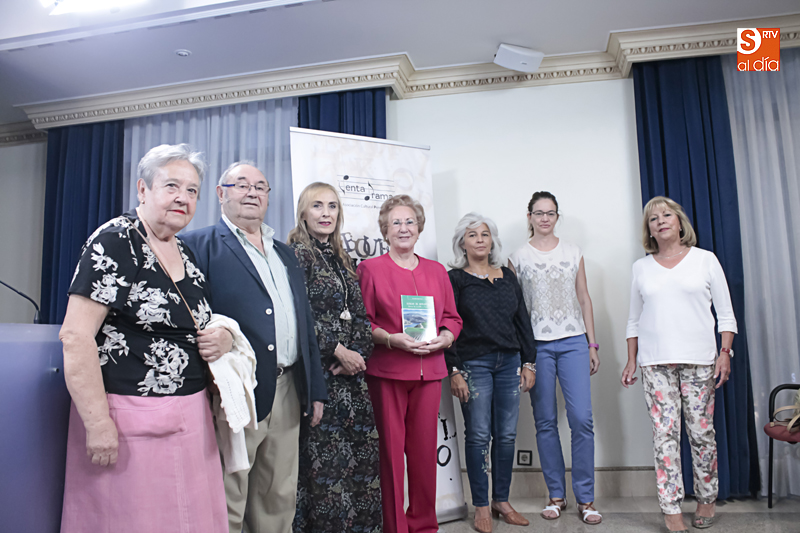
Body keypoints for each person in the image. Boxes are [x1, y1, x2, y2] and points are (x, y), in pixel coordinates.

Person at [59, 144, 231, 533]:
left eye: (192, 191)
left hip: (190, 416)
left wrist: (221, 338)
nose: (183, 198)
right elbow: (75, 335)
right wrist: (98, 423)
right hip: (129, 420)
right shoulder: (117, 240)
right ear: (142, 189)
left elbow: (192, 323)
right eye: (172, 185)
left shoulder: (184, 251)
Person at [181, 161, 328, 533]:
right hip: (237, 390)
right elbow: (188, 317)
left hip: (289, 387)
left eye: (260, 187)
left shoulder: (285, 253)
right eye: (241, 184)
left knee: (278, 493)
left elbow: (303, 323)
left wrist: (315, 389)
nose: (252, 192)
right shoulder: (197, 245)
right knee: (230, 492)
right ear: (221, 193)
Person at [621, 196, 736, 533]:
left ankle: (706, 499)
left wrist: (724, 352)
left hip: (700, 361)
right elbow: (633, 319)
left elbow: (725, 314)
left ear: (680, 221)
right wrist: (631, 360)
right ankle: (671, 509)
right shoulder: (641, 267)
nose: (660, 220)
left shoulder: (705, 260)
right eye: (653, 219)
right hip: (655, 364)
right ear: (649, 231)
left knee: (702, 435)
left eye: (666, 214)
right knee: (664, 437)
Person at [357, 194, 462, 533]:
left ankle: (424, 526)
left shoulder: (436, 271)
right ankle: (395, 528)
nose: (404, 228)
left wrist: (445, 337)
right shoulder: (370, 269)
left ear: (419, 228)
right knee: (389, 457)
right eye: (396, 223)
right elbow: (364, 322)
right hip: (387, 373)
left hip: (429, 373)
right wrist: (390, 339)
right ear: (385, 230)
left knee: (422, 457)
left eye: (410, 222)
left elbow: (452, 318)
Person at [287, 182, 381, 533]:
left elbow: (360, 314)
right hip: (319, 376)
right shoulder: (294, 254)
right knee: (325, 471)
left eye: (332, 206)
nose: (326, 213)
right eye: (317, 206)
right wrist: (337, 350)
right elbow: (297, 315)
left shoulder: (343, 257)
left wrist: (357, 353)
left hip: (352, 379)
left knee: (361, 464)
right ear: (303, 212)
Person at [508, 191, 602, 525]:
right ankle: (556, 495)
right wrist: (523, 356)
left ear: (557, 216)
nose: (544, 218)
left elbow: (585, 298)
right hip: (537, 346)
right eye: (538, 212)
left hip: (574, 341)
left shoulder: (573, 251)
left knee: (582, 419)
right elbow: (517, 312)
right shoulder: (517, 257)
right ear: (529, 216)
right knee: (545, 420)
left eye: (550, 213)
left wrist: (592, 344)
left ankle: (586, 499)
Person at [446, 213, 537, 533]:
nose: (480, 239)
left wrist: (529, 362)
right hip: (475, 364)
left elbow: (522, 321)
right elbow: (449, 325)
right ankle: (481, 506)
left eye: (485, 234)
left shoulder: (507, 276)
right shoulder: (454, 278)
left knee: (507, 435)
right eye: (472, 235)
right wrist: (454, 370)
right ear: (462, 242)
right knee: (479, 435)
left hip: (510, 362)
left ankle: (502, 500)